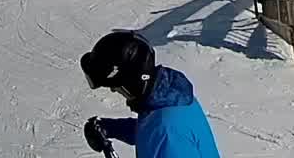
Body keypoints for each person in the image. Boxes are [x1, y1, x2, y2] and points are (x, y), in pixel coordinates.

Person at [81, 30, 222, 158]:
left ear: (132, 83)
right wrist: (112, 128)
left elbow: (163, 133)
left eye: (116, 86)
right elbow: (152, 131)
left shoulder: (169, 131)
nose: (113, 90)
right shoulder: (167, 99)